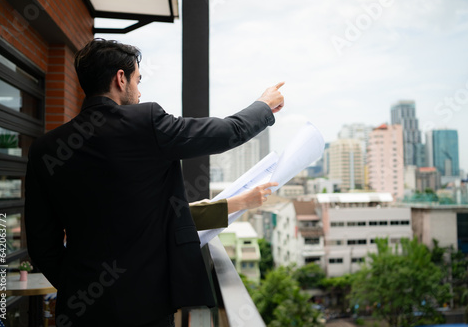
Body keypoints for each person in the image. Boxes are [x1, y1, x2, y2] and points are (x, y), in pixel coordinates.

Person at [24, 38, 284, 327]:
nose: (139, 90)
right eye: (138, 79)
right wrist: (264, 106)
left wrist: (76, 285)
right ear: (120, 79)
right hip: (146, 307)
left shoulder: (45, 149)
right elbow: (225, 132)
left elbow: (40, 244)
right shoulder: (146, 121)